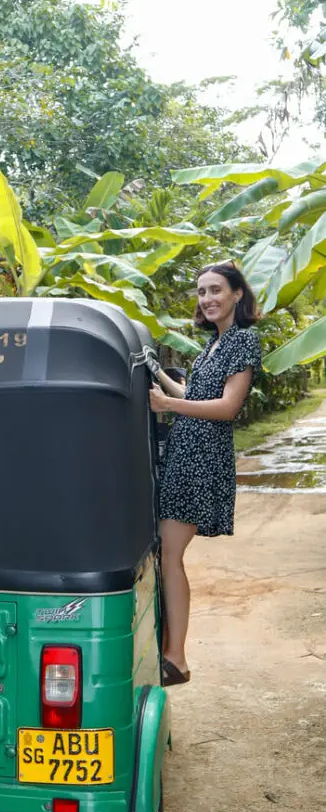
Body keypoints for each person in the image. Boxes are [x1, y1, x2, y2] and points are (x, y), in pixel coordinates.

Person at [148, 260, 262, 687]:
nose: (208, 299)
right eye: (201, 292)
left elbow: (227, 407)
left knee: (170, 555)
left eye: (216, 290)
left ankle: (175, 657)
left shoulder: (242, 341)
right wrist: (156, 373)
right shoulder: (213, 345)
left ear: (237, 294)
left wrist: (170, 405)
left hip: (202, 458)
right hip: (186, 452)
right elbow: (193, 395)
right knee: (166, 553)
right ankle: (170, 651)